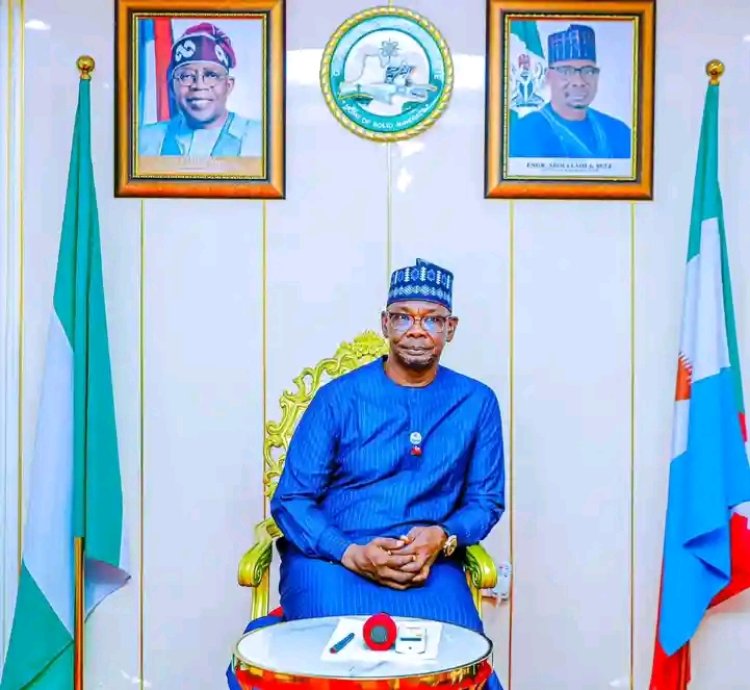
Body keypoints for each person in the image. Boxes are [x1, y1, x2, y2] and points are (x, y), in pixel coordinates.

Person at [227, 259, 505, 690]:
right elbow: (292, 499)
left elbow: (485, 502)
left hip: (426, 566)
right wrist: (349, 552)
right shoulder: (338, 398)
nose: (417, 330)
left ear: (450, 328)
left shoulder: (476, 402)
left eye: (432, 319)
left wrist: (442, 536)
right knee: (330, 662)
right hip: (333, 562)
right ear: (385, 324)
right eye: (403, 317)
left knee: (457, 660)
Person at [139, 22, 262, 158]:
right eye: (186, 76)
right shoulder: (142, 141)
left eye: (211, 75)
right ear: (172, 88)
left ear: (228, 86)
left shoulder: (263, 138)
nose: (199, 85)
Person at [509, 24, 632, 159]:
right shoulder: (524, 132)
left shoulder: (619, 132)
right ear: (548, 76)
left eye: (588, 71)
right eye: (566, 71)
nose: (579, 81)